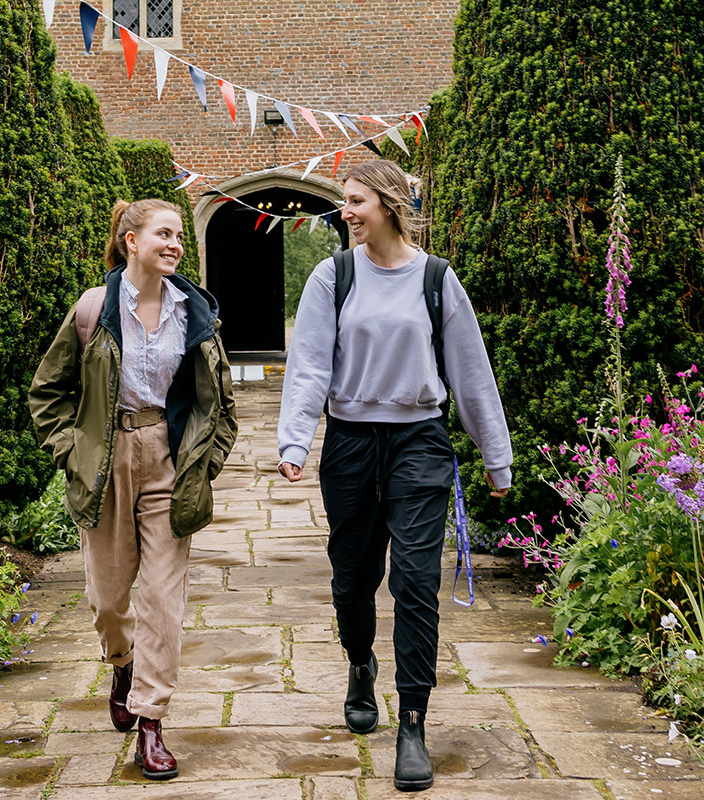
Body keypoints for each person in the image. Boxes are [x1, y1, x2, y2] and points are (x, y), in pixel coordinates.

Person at [276, 160, 513, 792]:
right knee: (353, 580)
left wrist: (497, 456)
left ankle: (412, 723)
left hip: (419, 440)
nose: (346, 211)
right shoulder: (334, 275)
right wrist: (295, 439)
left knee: (414, 582)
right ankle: (360, 665)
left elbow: (470, 370)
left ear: (387, 203)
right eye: (344, 202)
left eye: (356, 200)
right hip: (351, 442)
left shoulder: (436, 279)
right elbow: (308, 365)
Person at [30, 198, 238, 781]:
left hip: (168, 460)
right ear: (130, 241)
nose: (175, 244)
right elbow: (47, 393)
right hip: (106, 458)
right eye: (164, 234)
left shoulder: (194, 312)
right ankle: (121, 665)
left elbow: (221, 405)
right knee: (108, 600)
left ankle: (150, 720)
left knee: (162, 600)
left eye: (178, 235)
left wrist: (204, 463)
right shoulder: (94, 309)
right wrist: (72, 452)